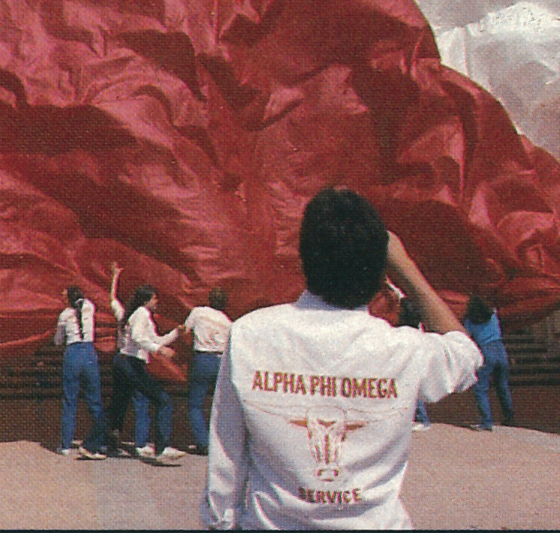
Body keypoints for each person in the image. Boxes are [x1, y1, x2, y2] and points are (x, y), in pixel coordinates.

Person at [202, 188, 481, 529]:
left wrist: (220, 523)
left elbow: (226, 458)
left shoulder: (250, 334)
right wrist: (404, 266)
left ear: (304, 259)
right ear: (381, 270)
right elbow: (466, 353)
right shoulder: (404, 350)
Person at [80, 282, 183, 462]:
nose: (157, 301)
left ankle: (90, 445)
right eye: (154, 298)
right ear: (146, 300)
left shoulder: (135, 314)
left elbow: (155, 339)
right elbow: (138, 337)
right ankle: (162, 447)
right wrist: (159, 350)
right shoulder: (142, 313)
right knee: (163, 400)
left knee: (116, 409)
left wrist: (175, 333)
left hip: (122, 362)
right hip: (131, 364)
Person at [54, 285, 104, 455]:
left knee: (70, 400)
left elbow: (58, 340)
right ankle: (98, 441)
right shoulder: (89, 307)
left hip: (73, 354)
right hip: (89, 353)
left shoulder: (64, 315)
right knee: (95, 400)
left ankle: (66, 444)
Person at [182, 288, 232, 454]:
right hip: (221, 360)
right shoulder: (227, 322)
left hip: (203, 358)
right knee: (219, 403)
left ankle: (203, 442)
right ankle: (222, 443)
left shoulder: (198, 312)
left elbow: (185, 330)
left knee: (196, 403)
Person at [463, 296, 515, 430]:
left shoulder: (470, 321)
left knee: (481, 388)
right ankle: (509, 416)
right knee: (502, 385)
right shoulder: (493, 316)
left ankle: (486, 421)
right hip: (500, 348)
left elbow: (467, 336)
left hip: (485, 350)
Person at [396, 296, 432, 430]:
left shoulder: (406, 327)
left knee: (412, 388)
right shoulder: (417, 324)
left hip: (411, 358)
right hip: (418, 357)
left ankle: (423, 419)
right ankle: (417, 418)